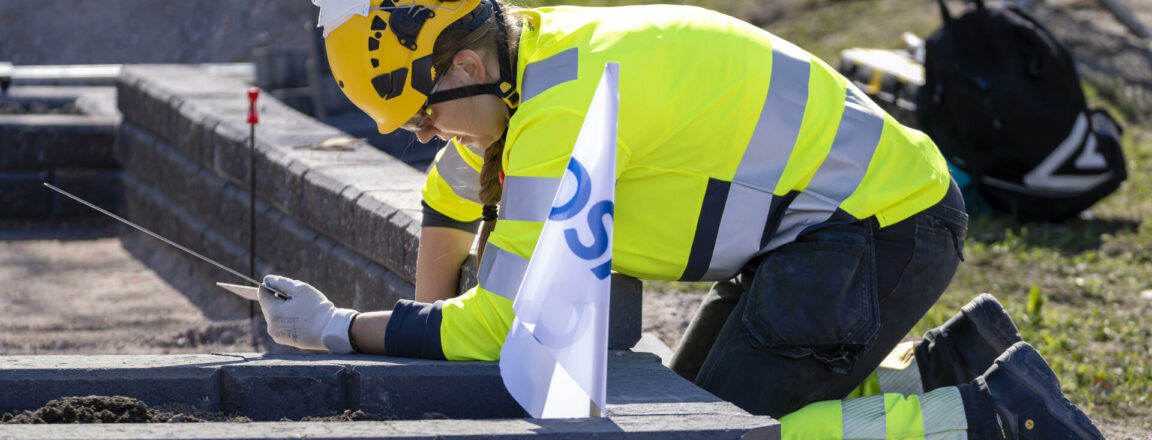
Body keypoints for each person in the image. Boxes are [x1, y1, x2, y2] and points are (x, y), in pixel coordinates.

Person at [257, 1, 1103, 438]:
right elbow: (452, 189)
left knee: (717, 439)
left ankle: (993, 420)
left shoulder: (554, 108)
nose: (424, 135)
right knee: (687, 404)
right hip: (844, 223)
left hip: (875, 228)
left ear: (467, 63)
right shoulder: (535, 59)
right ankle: (960, 360)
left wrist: (335, 332)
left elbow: (496, 327)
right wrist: (421, 340)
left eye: (421, 117)